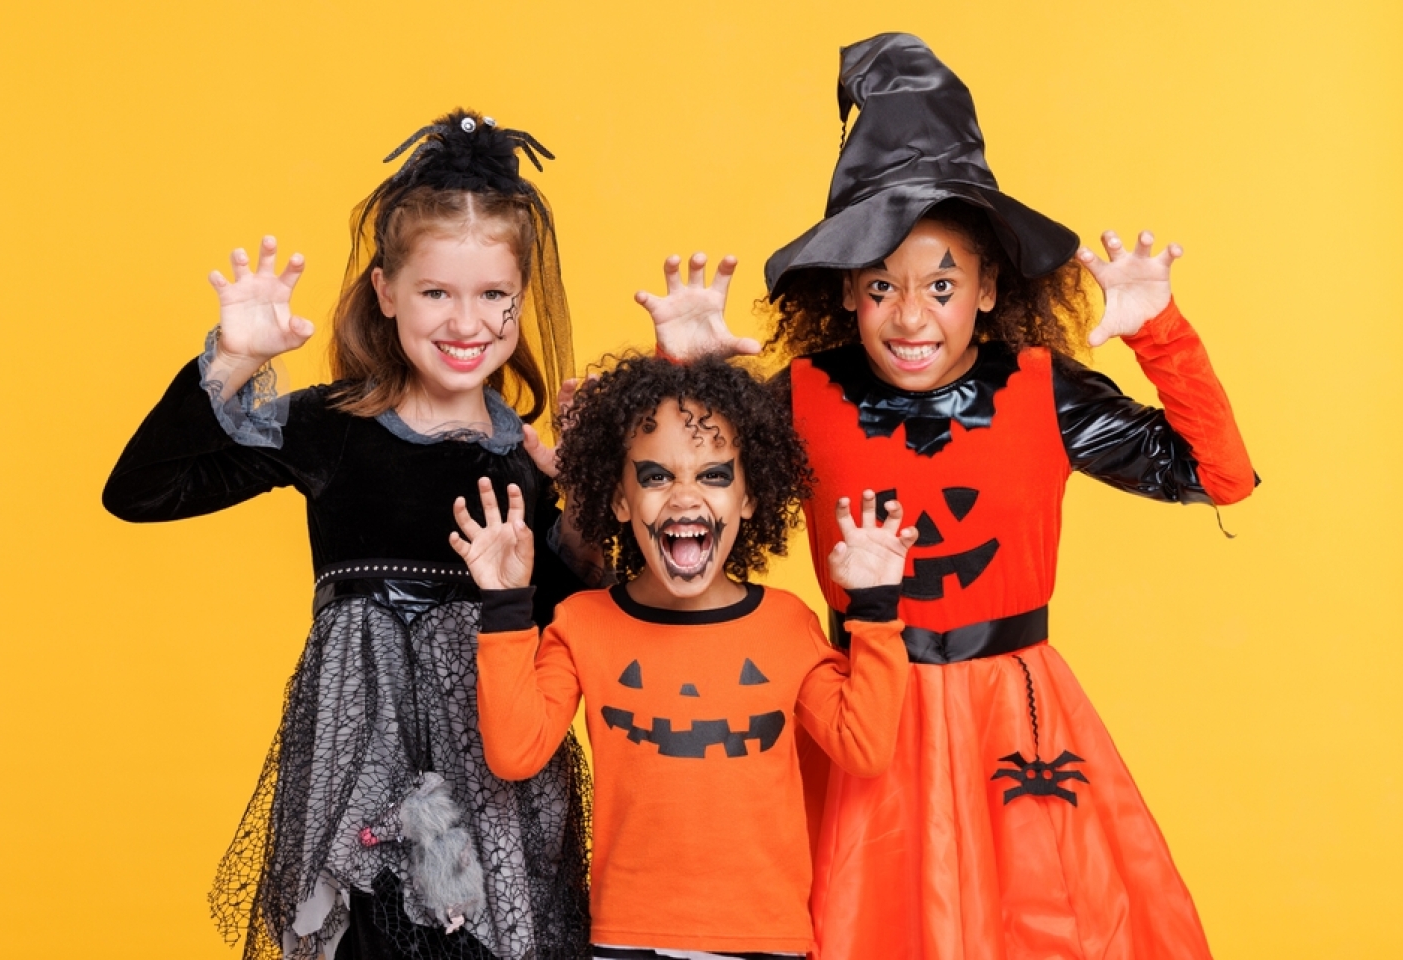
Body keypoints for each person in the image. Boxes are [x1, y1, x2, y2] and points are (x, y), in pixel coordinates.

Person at [639, 34, 1256, 960]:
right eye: (883, 286)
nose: (912, 315)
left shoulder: (1045, 388)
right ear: (848, 292)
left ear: (987, 287)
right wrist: (680, 382)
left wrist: (1160, 334)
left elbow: (1222, 476)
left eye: (940, 284)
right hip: (863, 711)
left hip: (1015, 716)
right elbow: (678, 524)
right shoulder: (803, 397)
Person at [103, 110, 591, 960]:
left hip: (498, 788)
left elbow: (581, 622)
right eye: (437, 292)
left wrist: (580, 504)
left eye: (491, 297)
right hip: (357, 780)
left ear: (520, 301)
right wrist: (233, 357)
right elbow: (142, 492)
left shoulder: (531, 458)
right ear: (386, 292)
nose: (465, 322)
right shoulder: (332, 427)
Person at [449, 355, 917, 959]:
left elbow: (865, 746)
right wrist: (508, 604)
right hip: (627, 937)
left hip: (765, 938)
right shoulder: (584, 622)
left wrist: (876, 610)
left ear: (750, 498)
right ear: (619, 499)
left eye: (715, 476)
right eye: (657, 476)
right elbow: (514, 754)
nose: (686, 497)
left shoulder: (787, 622)